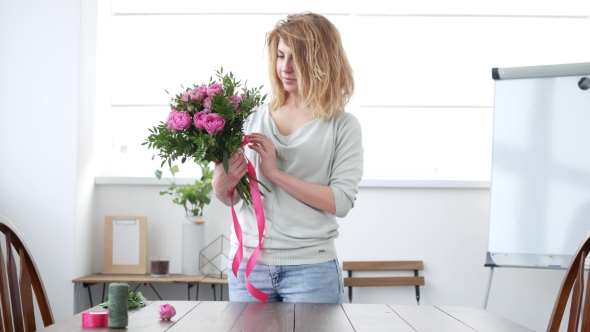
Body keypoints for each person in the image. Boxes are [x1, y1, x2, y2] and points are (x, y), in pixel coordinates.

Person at [212, 12, 363, 303]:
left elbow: (340, 202)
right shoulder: (249, 116)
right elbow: (232, 198)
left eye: (297, 59)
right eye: (281, 56)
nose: (285, 67)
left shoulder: (342, 126)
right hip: (248, 266)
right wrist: (220, 184)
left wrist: (275, 172)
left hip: (311, 270)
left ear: (322, 62)